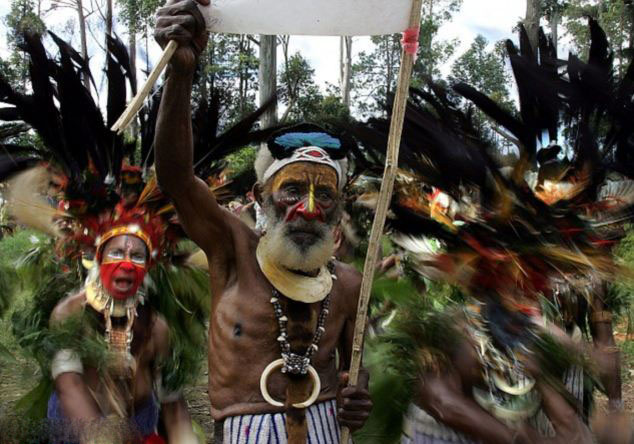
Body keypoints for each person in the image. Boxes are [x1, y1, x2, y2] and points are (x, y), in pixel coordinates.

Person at [153, 2, 372, 441]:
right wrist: (180, 75)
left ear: (339, 207)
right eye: (292, 190)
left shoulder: (348, 284)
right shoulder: (231, 248)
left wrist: (357, 398)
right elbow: (176, 176)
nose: (309, 209)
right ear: (260, 197)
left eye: (324, 195)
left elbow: (355, 370)